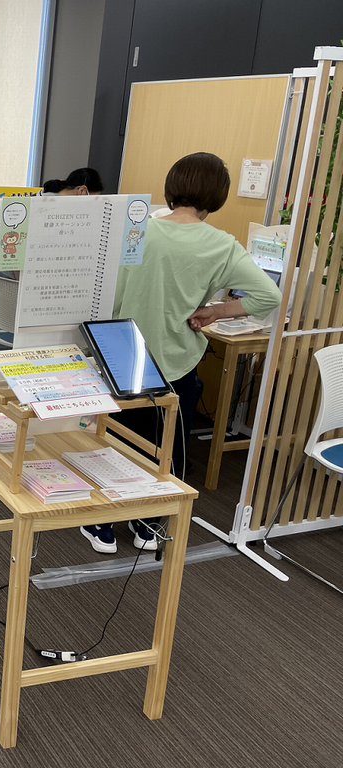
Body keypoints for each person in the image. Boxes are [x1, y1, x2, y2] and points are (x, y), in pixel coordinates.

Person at [80, 152, 282, 555]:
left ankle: (101, 524)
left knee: (115, 439)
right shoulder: (223, 245)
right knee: (167, 444)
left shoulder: (138, 231)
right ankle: (149, 524)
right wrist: (214, 312)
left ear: (172, 187)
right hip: (178, 361)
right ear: (217, 196)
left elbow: (107, 294)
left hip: (123, 355)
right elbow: (268, 296)